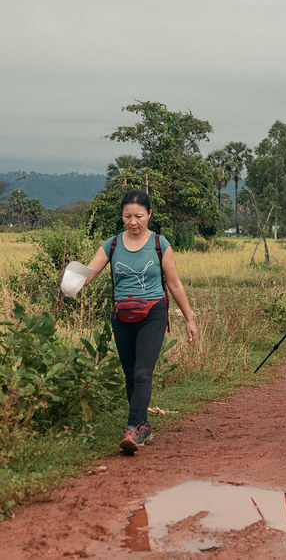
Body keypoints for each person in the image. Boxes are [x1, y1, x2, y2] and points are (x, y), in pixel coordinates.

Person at [80, 189, 198, 455]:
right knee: (131, 374)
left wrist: (189, 319)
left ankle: (133, 428)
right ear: (122, 215)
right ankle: (144, 424)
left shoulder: (160, 244)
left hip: (153, 313)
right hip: (122, 316)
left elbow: (175, 284)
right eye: (127, 216)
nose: (133, 222)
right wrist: (69, 279)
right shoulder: (111, 245)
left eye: (139, 216)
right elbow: (87, 275)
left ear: (149, 215)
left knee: (143, 372)